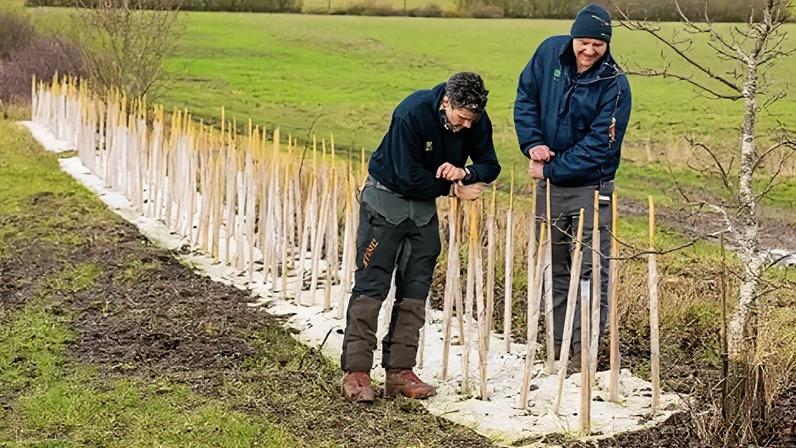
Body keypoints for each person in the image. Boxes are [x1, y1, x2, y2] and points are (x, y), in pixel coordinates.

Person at [341, 72, 501, 403]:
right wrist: (453, 188)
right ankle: (356, 373)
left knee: (415, 291)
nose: (467, 126)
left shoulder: (475, 121)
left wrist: (466, 173)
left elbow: (490, 164)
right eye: (462, 118)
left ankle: (400, 373)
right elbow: (407, 175)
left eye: (473, 119)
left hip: (423, 212)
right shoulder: (411, 113)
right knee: (372, 287)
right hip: (386, 202)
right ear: (446, 102)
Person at [513, 3, 632, 370]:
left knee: (591, 269)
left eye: (598, 44)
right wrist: (532, 143)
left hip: (591, 188)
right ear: (572, 37)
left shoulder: (614, 83)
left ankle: (586, 348)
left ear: (607, 45)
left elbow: (601, 146)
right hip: (549, 187)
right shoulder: (549, 52)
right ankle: (560, 342)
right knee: (554, 264)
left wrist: (549, 171)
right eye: (584, 41)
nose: (589, 50)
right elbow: (525, 99)